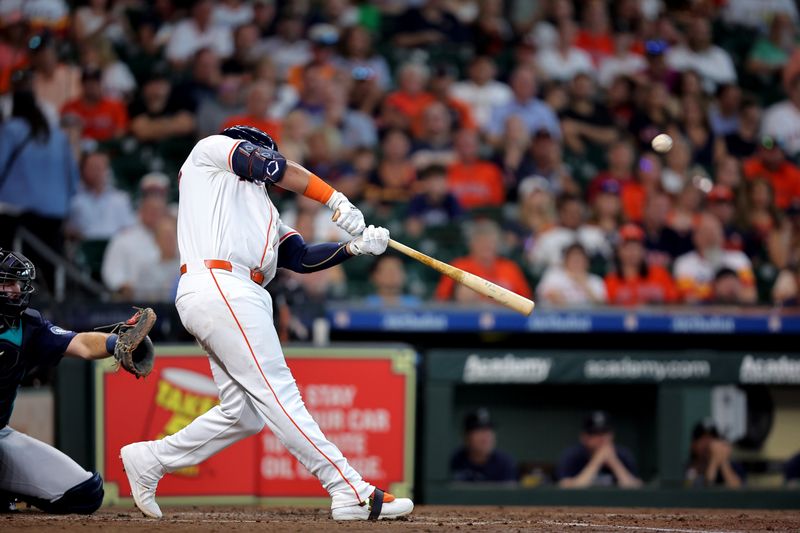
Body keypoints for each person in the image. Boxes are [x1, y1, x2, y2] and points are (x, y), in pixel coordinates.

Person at [118, 125, 413, 521]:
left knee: (244, 413)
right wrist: (334, 198)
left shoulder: (263, 210)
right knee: (279, 393)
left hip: (237, 293)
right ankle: (350, 490)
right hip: (221, 283)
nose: (269, 170)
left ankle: (151, 459)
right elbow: (271, 166)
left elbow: (302, 257)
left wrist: (354, 248)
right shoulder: (211, 152)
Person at [0, 248, 149, 513]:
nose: (16, 289)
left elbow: (78, 342)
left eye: (16, 282)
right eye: (7, 282)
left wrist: (116, 342)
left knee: (84, 493)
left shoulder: (26, 326)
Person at [434, 220, 532, 303]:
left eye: (490, 242)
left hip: (505, 320)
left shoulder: (510, 268)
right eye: (481, 241)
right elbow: (441, 299)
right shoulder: (458, 267)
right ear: (471, 244)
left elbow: (525, 302)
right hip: (467, 320)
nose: (486, 246)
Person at [673, 214, 756, 304]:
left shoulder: (739, 259)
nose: (711, 237)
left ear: (722, 235)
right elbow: (689, 298)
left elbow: (750, 295)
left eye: (715, 232)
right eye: (706, 232)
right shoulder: (684, 263)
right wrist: (717, 292)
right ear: (695, 237)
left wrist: (731, 292)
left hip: (736, 313)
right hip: (701, 316)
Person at [100, 194, 167, 299]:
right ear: (141, 212)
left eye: (159, 211)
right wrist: (123, 286)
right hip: (133, 302)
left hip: (167, 300)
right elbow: (112, 272)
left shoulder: (175, 238)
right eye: (152, 211)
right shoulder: (123, 239)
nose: (156, 215)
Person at [556, 411, 642, 488]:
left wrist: (614, 463)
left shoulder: (623, 455)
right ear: (584, 437)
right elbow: (567, 488)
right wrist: (597, 460)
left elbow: (635, 488)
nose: (601, 438)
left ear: (612, 434)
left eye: (604, 432)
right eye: (595, 433)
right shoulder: (573, 456)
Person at [67, 151, 135, 241]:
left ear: (107, 170)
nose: (96, 172)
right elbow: (69, 230)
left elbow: (128, 229)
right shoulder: (74, 199)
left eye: (99, 167)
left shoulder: (121, 199)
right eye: (92, 167)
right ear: (83, 170)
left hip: (115, 248)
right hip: (84, 246)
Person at [605, 224, 679, 306]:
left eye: (637, 247)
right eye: (628, 247)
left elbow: (674, 304)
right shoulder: (611, 280)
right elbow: (609, 312)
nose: (633, 252)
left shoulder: (660, 274)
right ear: (619, 251)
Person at [450, 408, 517, 483]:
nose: (485, 436)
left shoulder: (504, 464)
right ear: (466, 436)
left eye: (489, 430)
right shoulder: (455, 460)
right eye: (479, 430)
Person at [536, 243, 607, 306]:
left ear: (587, 262)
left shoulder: (595, 280)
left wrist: (584, 285)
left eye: (579, 260)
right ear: (566, 260)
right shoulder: (553, 275)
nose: (576, 263)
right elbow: (542, 294)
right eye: (573, 259)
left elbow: (601, 305)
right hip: (556, 318)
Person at [686, 421, 744, 488]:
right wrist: (714, 462)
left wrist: (723, 462)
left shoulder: (734, 467)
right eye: (703, 438)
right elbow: (705, 490)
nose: (708, 443)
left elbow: (738, 491)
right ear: (694, 444)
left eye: (712, 438)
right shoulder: (690, 468)